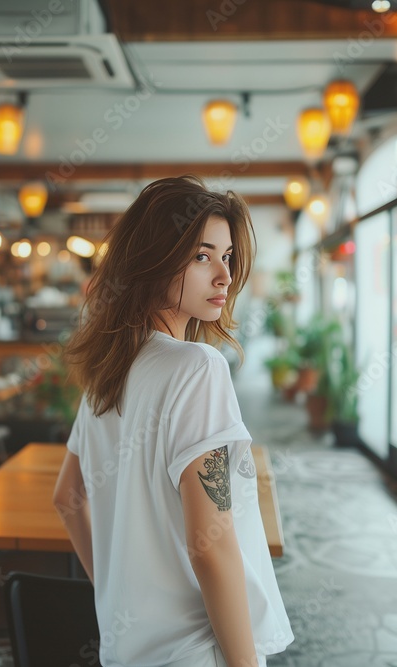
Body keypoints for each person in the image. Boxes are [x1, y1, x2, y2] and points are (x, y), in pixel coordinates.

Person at [53, 176, 294, 667]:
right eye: (202, 256)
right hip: (196, 651)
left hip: (127, 650)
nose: (224, 276)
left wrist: (119, 595)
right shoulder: (197, 368)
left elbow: (68, 497)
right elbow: (211, 544)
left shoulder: (108, 371)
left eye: (227, 257)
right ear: (153, 259)